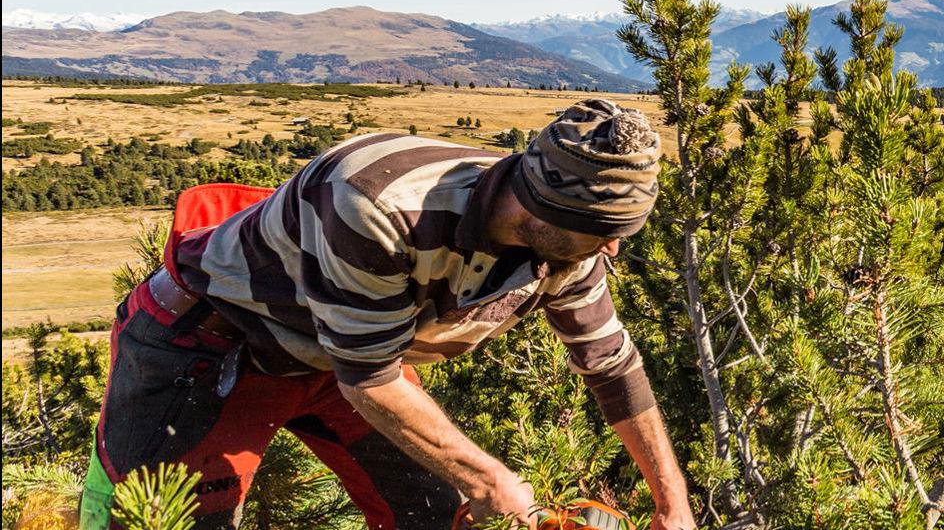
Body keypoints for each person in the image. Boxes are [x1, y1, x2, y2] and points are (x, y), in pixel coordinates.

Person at [80, 100, 697, 530]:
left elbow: (611, 366)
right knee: (162, 520)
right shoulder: (378, 202)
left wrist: (673, 502)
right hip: (214, 346)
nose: (614, 250)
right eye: (607, 233)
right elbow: (369, 378)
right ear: (540, 207)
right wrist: (487, 480)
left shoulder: (568, 245)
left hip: (347, 362)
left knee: (435, 514)